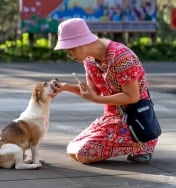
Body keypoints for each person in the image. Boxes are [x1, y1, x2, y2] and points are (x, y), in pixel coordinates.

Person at [50, 18, 158, 164]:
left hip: (135, 120)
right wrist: (64, 87)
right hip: (111, 118)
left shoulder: (121, 57)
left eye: (71, 48)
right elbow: (92, 92)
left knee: (83, 155)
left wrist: (96, 99)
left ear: (83, 42)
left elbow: (132, 97)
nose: (69, 54)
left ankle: (142, 144)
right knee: (72, 149)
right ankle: (133, 145)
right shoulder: (89, 60)